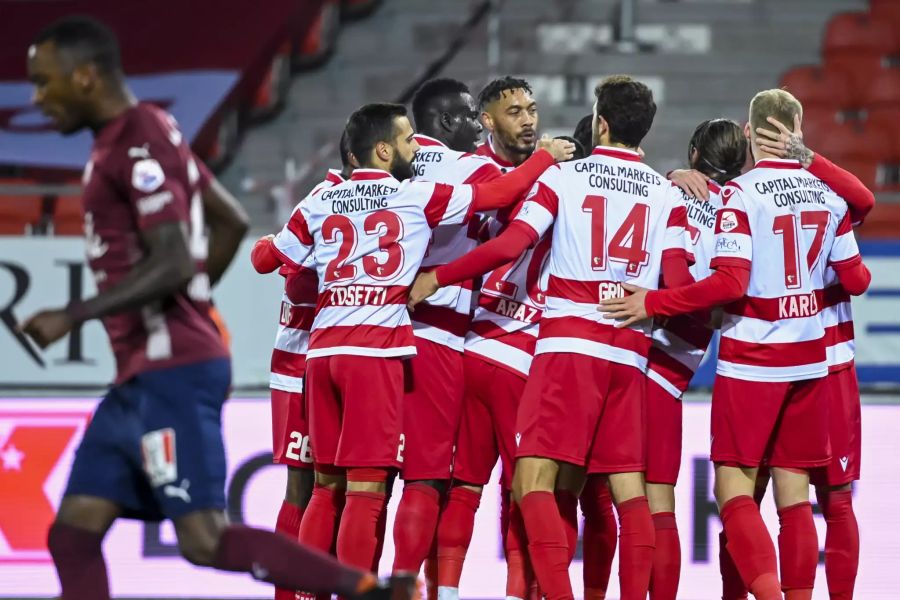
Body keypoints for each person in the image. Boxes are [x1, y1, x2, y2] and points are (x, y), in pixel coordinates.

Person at [21, 16, 414, 600]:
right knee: (72, 535)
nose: (37, 98)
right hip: (143, 376)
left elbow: (177, 258)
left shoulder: (136, 138)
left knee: (204, 540)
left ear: (83, 77)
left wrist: (78, 314)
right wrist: (191, 305)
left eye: (45, 82)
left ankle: (367, 590)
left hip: (171, 375)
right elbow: (228, 221)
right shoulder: (143, 132)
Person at [252, 102, 573, 575]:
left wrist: (268, 242)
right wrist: (544, 155)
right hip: (377, 350)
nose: (414, 149)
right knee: (370, 488)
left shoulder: (321, 198)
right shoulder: (417, 195)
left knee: (324, 487)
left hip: (320, 355)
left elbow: (266, 260)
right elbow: (501, 193)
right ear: (383, 150)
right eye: (406, 141)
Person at [411, 75, 695, 600]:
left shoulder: (563, 177)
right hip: (629, 353)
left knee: (528, 486)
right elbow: (680, 287)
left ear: (601, 123)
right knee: (627, 493)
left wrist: (438, 277)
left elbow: (508, 246)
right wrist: (652, 304)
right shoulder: (667, 194)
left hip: (558, 348)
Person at [599, 89, 872, 600]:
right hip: (816, 360)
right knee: (803, 500)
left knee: (731, 493)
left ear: (752, 135)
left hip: (751, 361)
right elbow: (858, 277)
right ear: (797, 128)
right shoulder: (829, 196)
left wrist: (655, 301)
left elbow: (728, 284)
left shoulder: (737, 198)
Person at [435, 75, 545, 600]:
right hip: (478, 347)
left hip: (493, 345)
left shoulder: (551, 170)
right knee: (485, 487)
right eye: (514, 111)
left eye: (531, 109)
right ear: (487, 121)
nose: (527, 119)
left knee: (475, 486)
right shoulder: (471, 173)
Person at [393, 78, 502, 592]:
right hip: (439, 336)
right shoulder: (476, 168)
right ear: (444, 122)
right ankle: (404, 585)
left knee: (358, 486)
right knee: (429, 477)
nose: (481, 126)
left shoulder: (393, 165)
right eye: (470, 115)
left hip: (376, 332)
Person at [251, 131, 356, 600]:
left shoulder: (387, 200)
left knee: (347, 488)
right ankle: (290, 594)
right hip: (300, 363)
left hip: (344, 360)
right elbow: (265, 261)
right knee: (305, 484)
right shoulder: (325, 199)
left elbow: (266, 255)